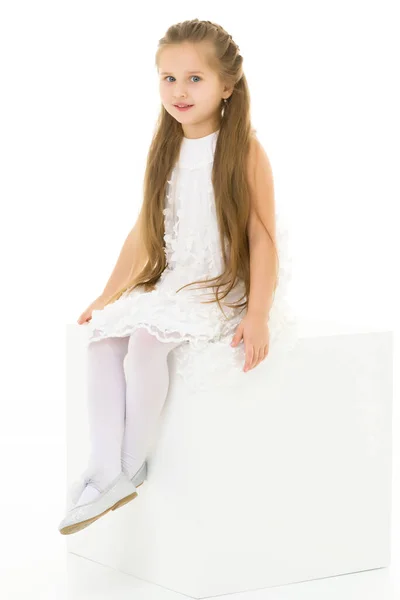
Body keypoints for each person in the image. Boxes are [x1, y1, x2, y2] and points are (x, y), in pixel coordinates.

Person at [58, 19, 297, 536]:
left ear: (227, 86)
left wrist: (257, 314)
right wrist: (109, 293)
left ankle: (127, 466)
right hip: (177, 282)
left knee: (146, 344)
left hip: (221, 285)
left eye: (194, 79)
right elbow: (145, 231)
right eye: (168, 78)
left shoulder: (245, 152)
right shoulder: (165, 148)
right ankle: (105, 470)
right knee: (102, 338)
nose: (179, 91)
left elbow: (263, 239)